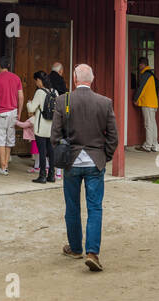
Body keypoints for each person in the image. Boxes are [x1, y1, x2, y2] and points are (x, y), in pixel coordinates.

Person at [50, 63, 118, 272]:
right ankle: (92, 252)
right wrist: (104, 156)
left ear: (74, 79)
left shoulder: (63, 100)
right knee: (95, 207)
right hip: (95, 161)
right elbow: (113, 136)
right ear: (92, 79)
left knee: (72, 206)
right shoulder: (104, 102)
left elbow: (55, 135)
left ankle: (76, 247)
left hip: (71, 160)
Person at [0, 57, 24, 176]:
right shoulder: (16, 78)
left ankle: (3, 167)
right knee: (9, 139)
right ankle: (5, 166)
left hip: (0, 112)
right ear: (8, 65)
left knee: (0, 140)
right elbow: (21, 96)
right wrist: (19, 112)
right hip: (13, 112)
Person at [26, 71, 54, 183]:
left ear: (39, 80)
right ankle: (51, 175)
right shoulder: (54, 91)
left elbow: (31, 109)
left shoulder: (39, 92)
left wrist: (29, 103)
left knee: (42, 152)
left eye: (36, 81)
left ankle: (42, 176)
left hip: (41, 127)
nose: (36, 83)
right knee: (51, 151)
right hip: (51, 127)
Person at [132, 56, 159, 152]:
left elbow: (141, 88)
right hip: (153, 103)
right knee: (153, 124)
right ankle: (154, 145)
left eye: (139, 64)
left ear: (142, 64)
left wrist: (135, 99)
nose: (139, 66)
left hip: (147, 103)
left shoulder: (145, 75)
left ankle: (147, 146)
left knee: (148, 125)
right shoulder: (151, 75)